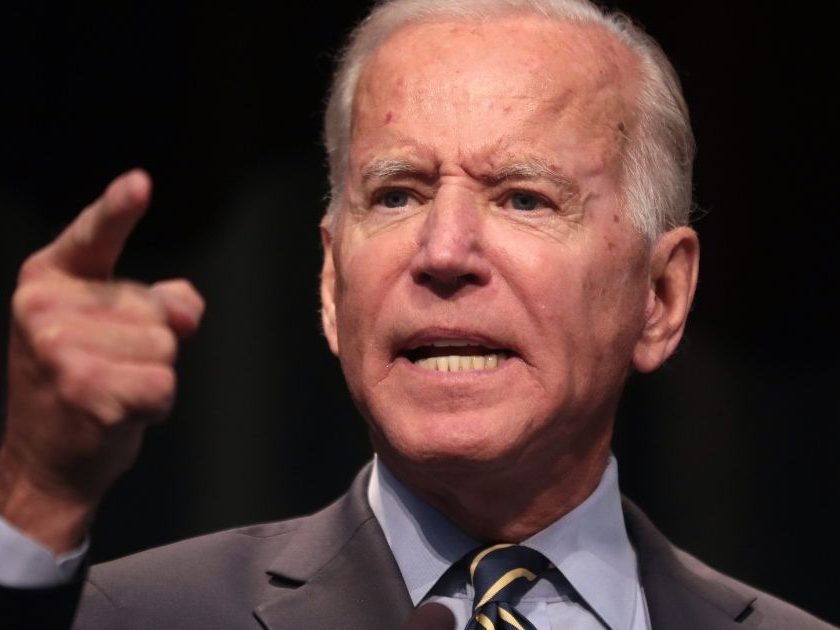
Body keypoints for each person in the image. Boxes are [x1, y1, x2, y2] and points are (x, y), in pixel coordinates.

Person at [0, 0, 834, 628]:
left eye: (523, 198)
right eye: (396, 194)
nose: (442, 253)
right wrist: (36, 493)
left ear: (661, 297)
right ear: (331, 283)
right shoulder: (133, 615)